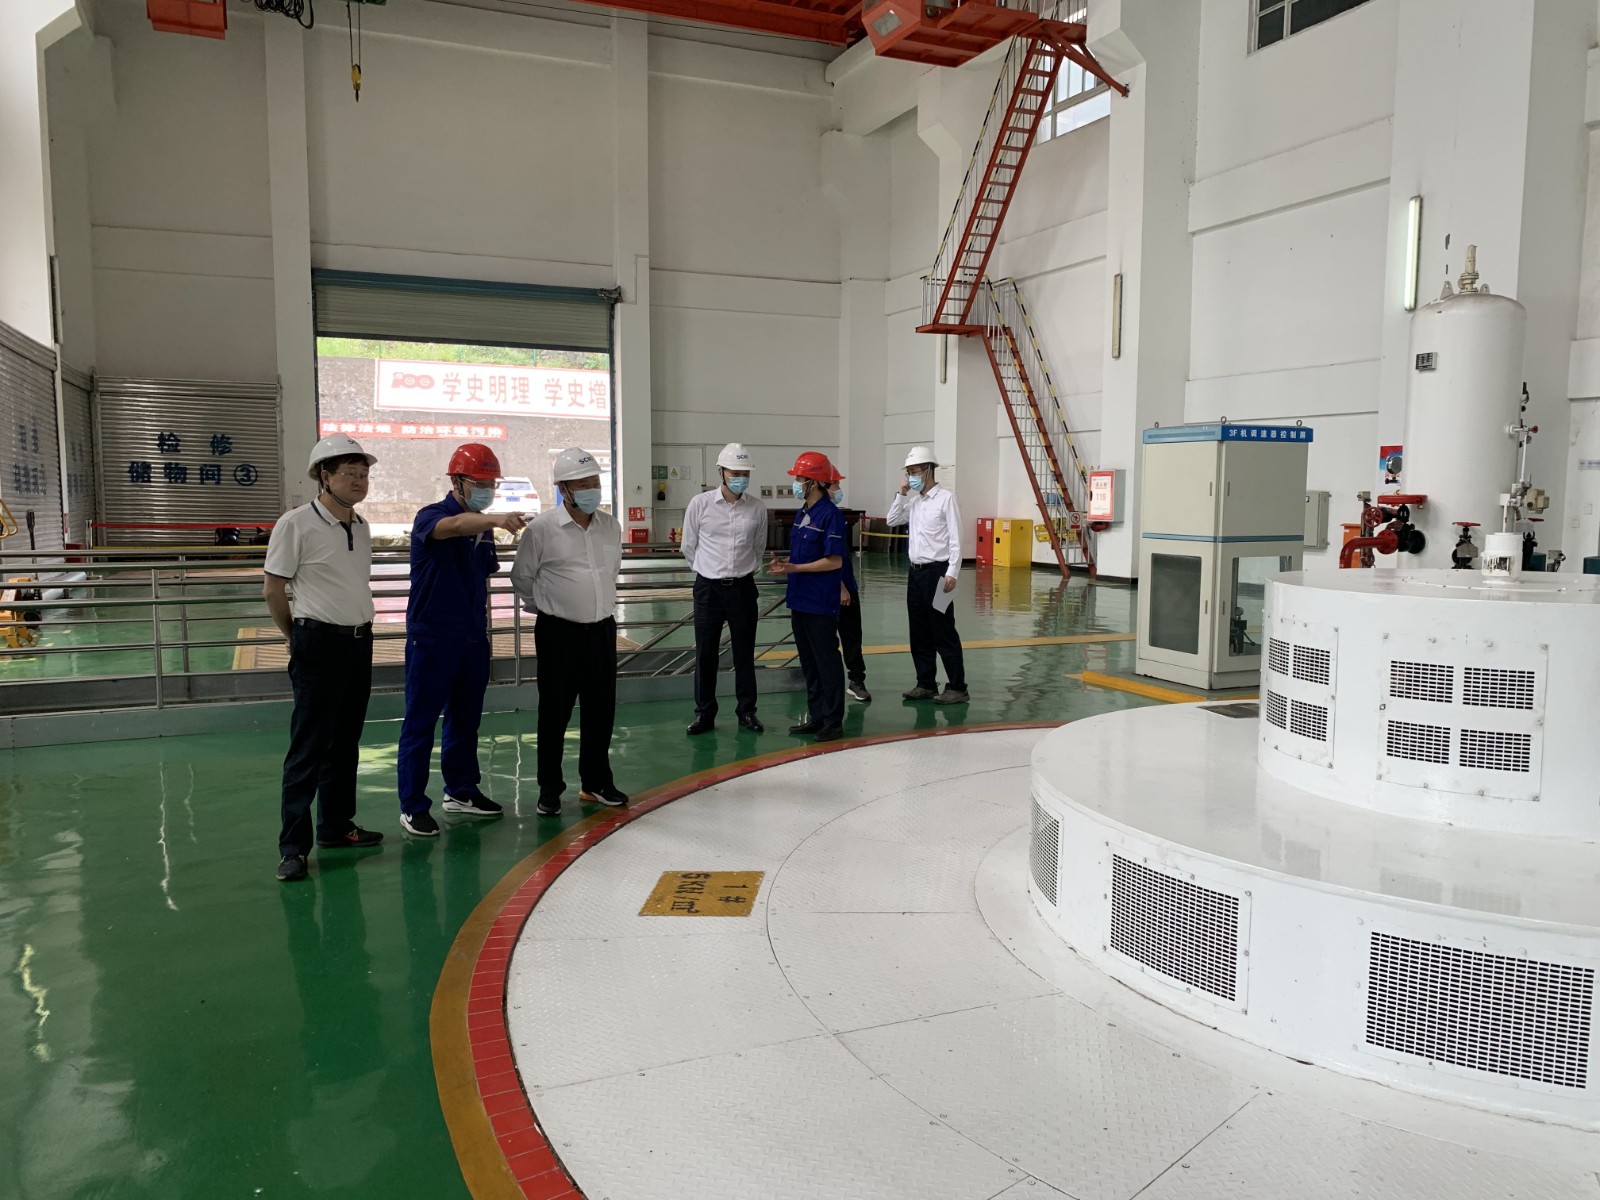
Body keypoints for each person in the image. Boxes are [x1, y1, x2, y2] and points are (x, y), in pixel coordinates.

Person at [263, 434, 385, 883]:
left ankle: (336, 825)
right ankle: (293, 847)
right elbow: (273, 589)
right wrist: (296, 637)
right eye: (350, 473)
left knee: (346, 742)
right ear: (324, 476)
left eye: (364, 474)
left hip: (358, 642)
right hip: (317, 643)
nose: (359, 481)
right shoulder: (295, 524)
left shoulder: (362, 526)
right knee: (308, 747)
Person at [396, 443, 527, 838]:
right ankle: (413, 806)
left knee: (466, 718)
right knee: (421, 722)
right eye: (479, 482)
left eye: (491, 484)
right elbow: (452, 527)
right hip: (432, 636)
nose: (487, 489)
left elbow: (481, 574)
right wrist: (495, 518)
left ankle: (461, 790)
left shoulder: (482, 529)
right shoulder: (432, 516)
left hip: (471, 636)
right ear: (456, 481)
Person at [510, 447, 629, 815]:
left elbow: (609, 573)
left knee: (600, 710)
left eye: (595, 482)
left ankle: (596, 783)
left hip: (601, 631)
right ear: (563, 489)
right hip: (558, 634)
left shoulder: (610, 526)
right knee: (555, 712)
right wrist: (550, 606)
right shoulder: (542, 529)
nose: (592, 489)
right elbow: (522, 578)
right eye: (582, 484)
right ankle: (550, 789)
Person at [682, 442, 768, 736]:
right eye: (735, 472)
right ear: (721, 472)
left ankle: (747, 711)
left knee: (744, 653)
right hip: (708, 589)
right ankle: (704, 714)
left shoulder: (757, 508)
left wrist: (739, 571)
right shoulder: (700, 504)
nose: (741, 478)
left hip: (743, 588)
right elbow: (688, 546)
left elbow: (758, 547)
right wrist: (709, 571)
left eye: (745, 473)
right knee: (706, 653)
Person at [767, 452, 846, 741]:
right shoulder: (803, 513)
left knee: (826, 661)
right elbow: (803, 556)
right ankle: (817, 716)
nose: (796, 483)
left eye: (800, 478)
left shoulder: (831, 515)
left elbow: (834, 561)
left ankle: (833, 721)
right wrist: (786, 564)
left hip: (820, 602)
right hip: (800, 598)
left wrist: (796, 568)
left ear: (813, 482)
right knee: (809, 663)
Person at [885, 445, 968, 704]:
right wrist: (901, 494)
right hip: (916, 574)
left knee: (943, 631)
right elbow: (891, 520)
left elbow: (956, 538)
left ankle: (958, 687)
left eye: (915, 471)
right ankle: (926, 683)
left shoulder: (946, 499)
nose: (911, 476)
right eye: (908, 472)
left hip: (939, 573)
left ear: (929, 470)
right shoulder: (915, 502)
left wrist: (953, 572)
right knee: (919, 631)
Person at [825, 475, 870, 702]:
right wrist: (839, 586)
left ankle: (856, 679)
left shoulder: (835, 515)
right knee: (826, 638)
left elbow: (840, 555)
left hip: (846, 585)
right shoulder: (816, 515)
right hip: (830, 588)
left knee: (852, 636)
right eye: (836, 485)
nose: (839, 489)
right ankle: (826, 682)